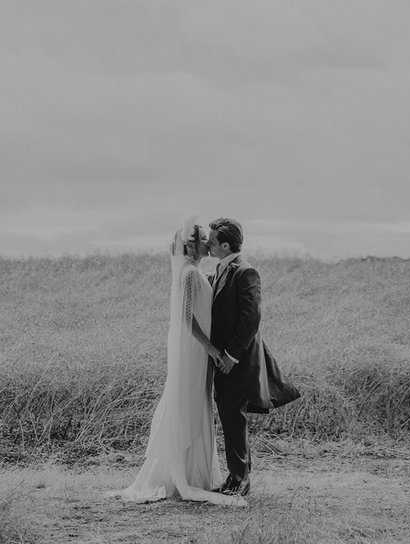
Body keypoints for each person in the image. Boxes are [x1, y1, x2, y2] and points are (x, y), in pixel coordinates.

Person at [106, 218, 247, 507]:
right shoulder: (190, 275)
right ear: (192, 245)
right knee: (190, 400)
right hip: (197, 351)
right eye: (202, 240)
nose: (207, 243)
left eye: (210, 239)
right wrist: (211, 349)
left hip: (200, 352)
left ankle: (196, 471)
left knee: (197, 402)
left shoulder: (198, 273)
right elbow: (186, 320)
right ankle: (185, 473)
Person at [206, 217, 301, 497]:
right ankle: (235, 479)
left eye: (211, 242)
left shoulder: (246, 272)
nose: (208, 246)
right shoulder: (221, 271)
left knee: (234, 419)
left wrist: (231, 356)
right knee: (229, 417)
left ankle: (239, 481)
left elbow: (251, 319)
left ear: (225, 245)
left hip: (238, 363)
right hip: (221, 362)